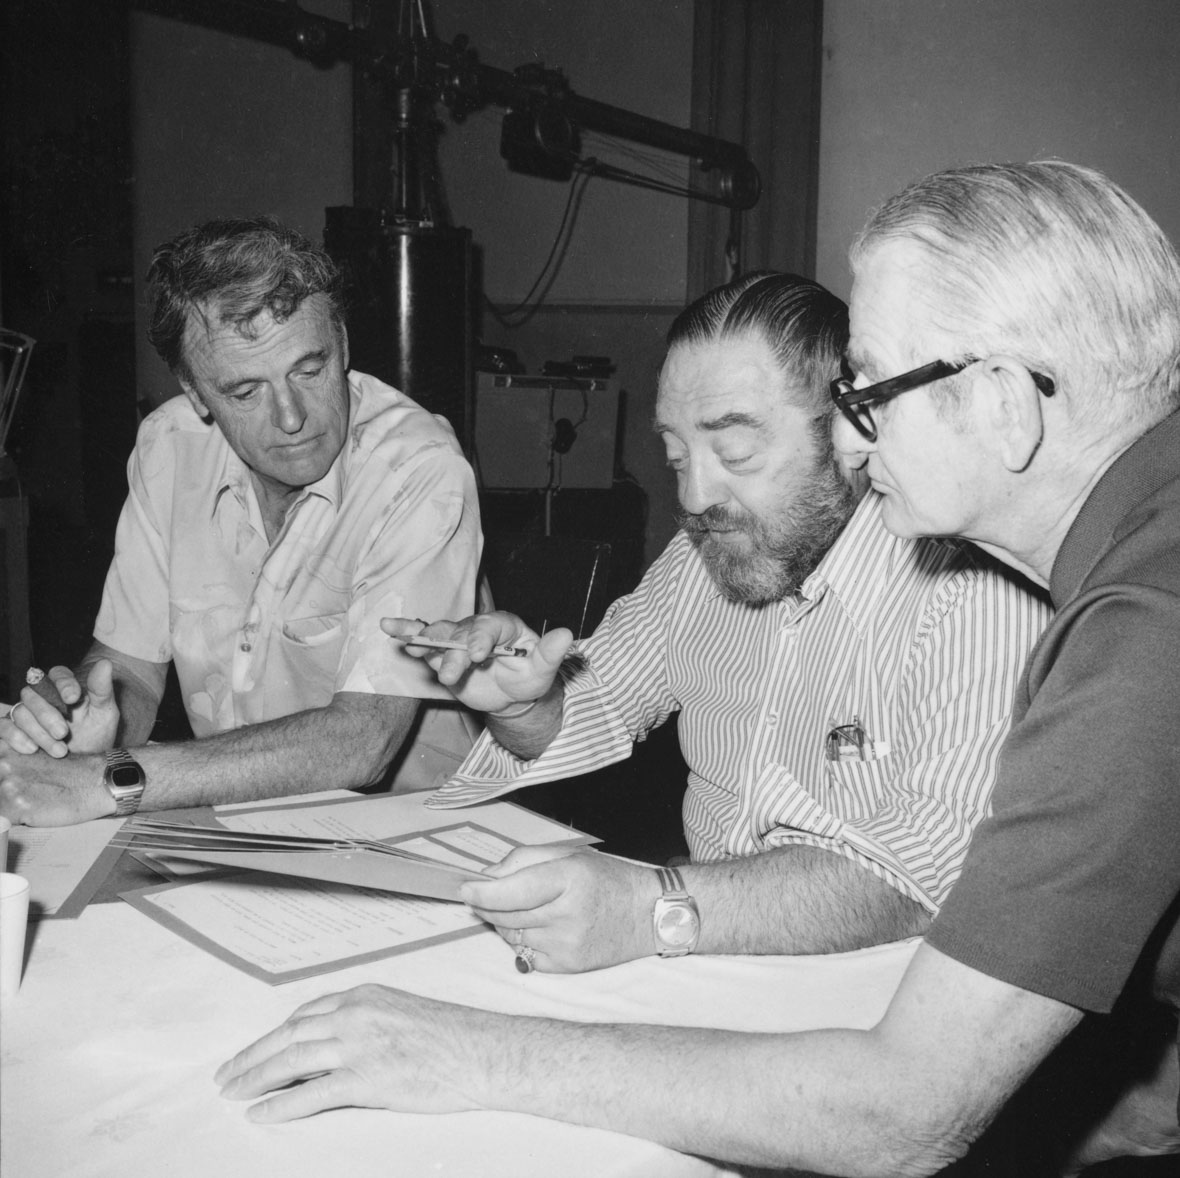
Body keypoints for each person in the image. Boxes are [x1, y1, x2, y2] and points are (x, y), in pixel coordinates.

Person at [214, 162, 1180, 1175]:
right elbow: (600, 705)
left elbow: (906, 1107)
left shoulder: (1128, 631)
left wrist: (468, 1043)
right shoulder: (1134, 571)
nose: (857, 435)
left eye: (870, 388)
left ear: (1002, 404)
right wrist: (535, 709)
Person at [395, 269, 1048, 974]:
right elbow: (597, 704)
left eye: (735, 453)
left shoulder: (973, 591)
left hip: (876, 995)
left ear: (853, 429)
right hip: (706, 956)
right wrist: (530, 703)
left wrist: (653, 906)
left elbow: (926, 880)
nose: (696, 494)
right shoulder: (698, 561)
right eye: (676, 455)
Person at [0, 217, 483, 825]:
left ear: (343, 344)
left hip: (418, 833)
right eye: (245, 392)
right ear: (196, 391)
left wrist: (108, 779)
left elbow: (363, 743)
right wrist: (80, 717)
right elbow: (130, 673)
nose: (290, 417)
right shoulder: (169, 445)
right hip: (239, 826)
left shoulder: (420, 470)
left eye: (309, 370)